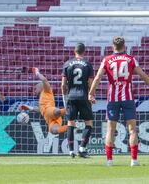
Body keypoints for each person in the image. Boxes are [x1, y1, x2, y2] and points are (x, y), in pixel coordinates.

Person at [89, 37, 149, 167]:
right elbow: (142, 75)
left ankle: (109, 161)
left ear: (112, 46)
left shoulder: (107, 60)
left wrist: (91, 93)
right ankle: (133, 160)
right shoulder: (131, 59)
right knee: (132, 129)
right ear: (124, 46)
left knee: (110, 129)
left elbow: (98, 77)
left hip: (113, 99)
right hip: (128, 98)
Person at [61, 43, 94, 158]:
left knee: (71, 123)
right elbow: (90, 83)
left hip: (71, 96)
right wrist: (91, 95)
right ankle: (82, 148)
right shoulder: (88, 64)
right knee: (89, 122)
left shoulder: (67, 64)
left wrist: (65, 95)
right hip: (84, 96)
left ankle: (70, 151)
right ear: (84, 51)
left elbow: (63, 85)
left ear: (74, 51)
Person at [21, 68, 67, 135]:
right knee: (53, 130)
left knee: (57, 111)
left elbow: (44, 80)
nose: (34, 91)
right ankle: (72, 126)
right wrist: (29, 108)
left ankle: (71, 110)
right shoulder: (41, 100)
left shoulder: (46, 90)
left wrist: (37, 72)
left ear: (41, 85)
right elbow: (40, 110)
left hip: (50, 111)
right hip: (49, 119)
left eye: (35, 88)